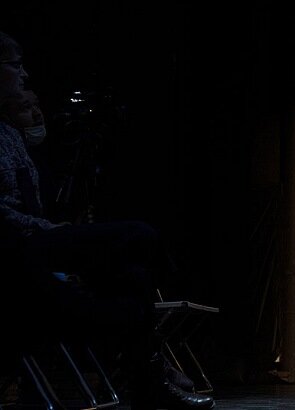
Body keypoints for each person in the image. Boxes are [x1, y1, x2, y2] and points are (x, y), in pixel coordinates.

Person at [0, 31, 214, 410]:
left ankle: (148, 380)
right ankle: (155, 357)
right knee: (139, 236)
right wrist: (49, 230)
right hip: (15, 245)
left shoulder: (11, 135)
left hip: (35, 242)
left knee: (134, 276)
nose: (25, 75)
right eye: (16, 65)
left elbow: (42, 196)